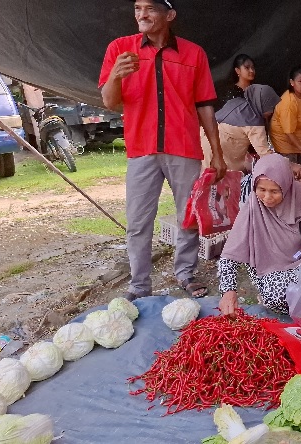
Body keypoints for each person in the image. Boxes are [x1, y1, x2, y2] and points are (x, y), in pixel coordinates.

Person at [99, 0, 227, 300]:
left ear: (169, 15)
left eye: (150, 9)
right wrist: (116, 74)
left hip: (183, 147)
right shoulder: (120, 49)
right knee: (138, 221)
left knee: (188, 215)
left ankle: (185, 273)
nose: (141, 15)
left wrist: (217, 153)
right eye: (137, 8)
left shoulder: (194, 54)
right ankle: (139, 285)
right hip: (141, 148)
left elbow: (205, 105)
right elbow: (109, 101)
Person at [217, 153, 301, 317]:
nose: (267, 197)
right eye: (262, 190)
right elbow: (230, 255)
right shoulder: (252, 207)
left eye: (275, 191)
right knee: (276, 293)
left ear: (286, 185)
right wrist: (228, 291)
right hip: (271, 267)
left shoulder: (300, 193)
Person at [215, 83, 280, 173]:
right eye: (269, 106)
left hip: (208, 141)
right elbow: (265, 154)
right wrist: (288, 165)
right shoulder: (253, 120)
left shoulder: (237, 102)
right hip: (221, 151)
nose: (272, 111)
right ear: (262, 102)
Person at [269, 66, 301, 166]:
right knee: (292, 171)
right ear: (292, 83)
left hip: (299, 138)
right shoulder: (288, 102)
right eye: (300, 81)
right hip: (284, 142)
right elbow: (288, 132)